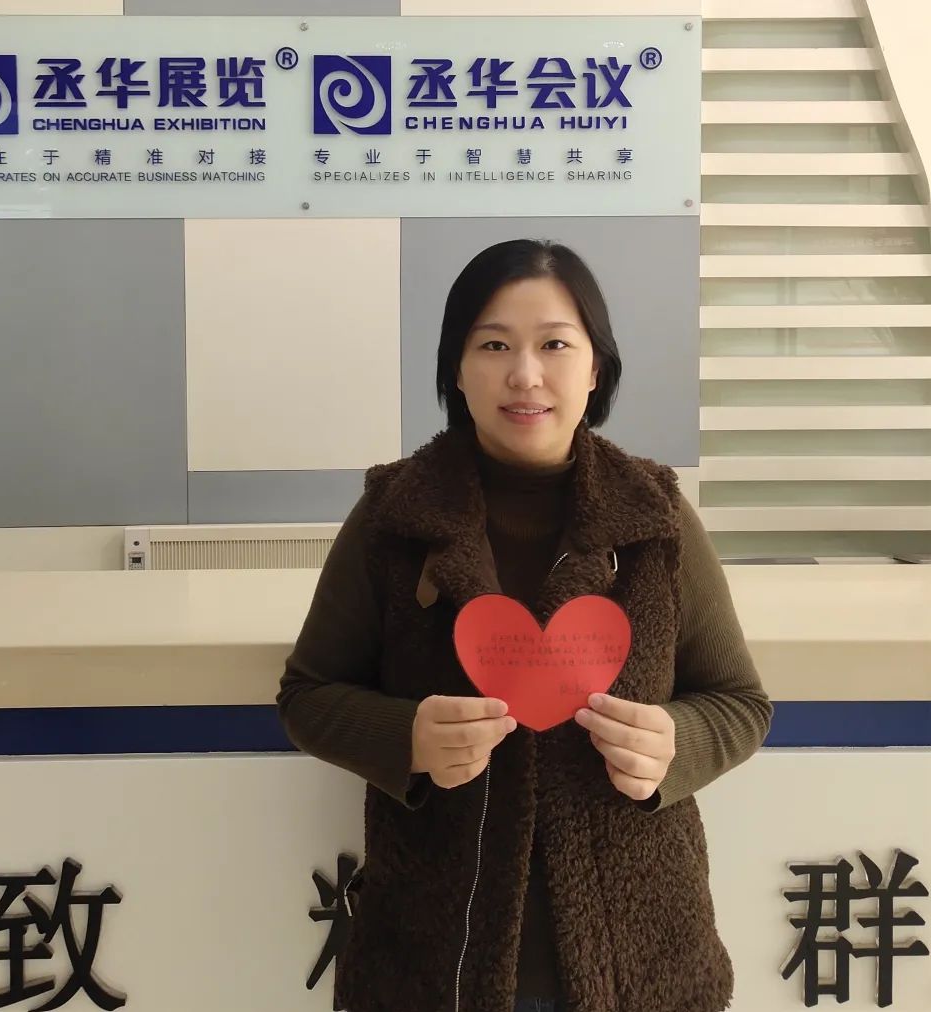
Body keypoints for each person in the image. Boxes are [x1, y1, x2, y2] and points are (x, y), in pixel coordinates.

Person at [276, 239, 772, 1012]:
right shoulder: (393, 518)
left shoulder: (656, 517)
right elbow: (308, 694)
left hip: (639, 966)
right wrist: (407, 739)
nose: (526, 374)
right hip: (434, 965)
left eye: (555, 345)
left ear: (596, 368)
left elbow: (740, 702)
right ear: (456, 368)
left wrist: (678, 744)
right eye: (494, 346)